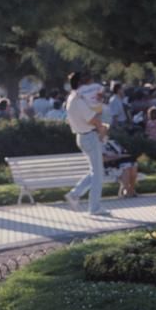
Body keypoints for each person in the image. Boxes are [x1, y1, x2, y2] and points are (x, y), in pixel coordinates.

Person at [65, 71, 111, 217]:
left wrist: (98, 101)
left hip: (84, 136)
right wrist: (102, 129)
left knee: (95, 172)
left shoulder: (74, 98)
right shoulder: (78, 100)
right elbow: (92, 119)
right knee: (98, 174)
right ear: (82, 83)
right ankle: (94, 208)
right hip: (89, 136)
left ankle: (74, 194)